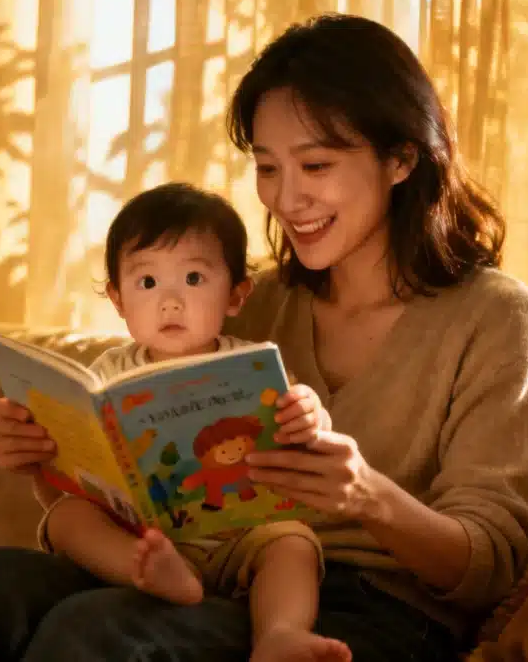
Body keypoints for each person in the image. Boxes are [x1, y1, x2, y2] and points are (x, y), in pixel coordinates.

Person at [0, 12, 528, 662]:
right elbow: (157, 473)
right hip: (210, 572)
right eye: (268, 168)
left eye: (315, 165)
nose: (287, 198)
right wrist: (51, 461)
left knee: (102, 630)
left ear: (401, 158)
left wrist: (368, 495)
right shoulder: (250, 300)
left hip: (376, 611)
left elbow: (486, 566)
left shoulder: (495, 318)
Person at [29, 181, 350, 662]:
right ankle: (148, 575)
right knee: (67, 516)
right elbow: (75, 473)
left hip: (240, 536)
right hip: (141, 541)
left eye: (194, 279)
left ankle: (280, 634)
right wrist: (50, 449)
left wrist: (308, 412)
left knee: (293, 540)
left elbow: (302, 426)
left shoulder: (252, 365)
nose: (171, 301)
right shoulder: (107, 375)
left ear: (237, 295)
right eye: (147, 283)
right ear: (118, 300)